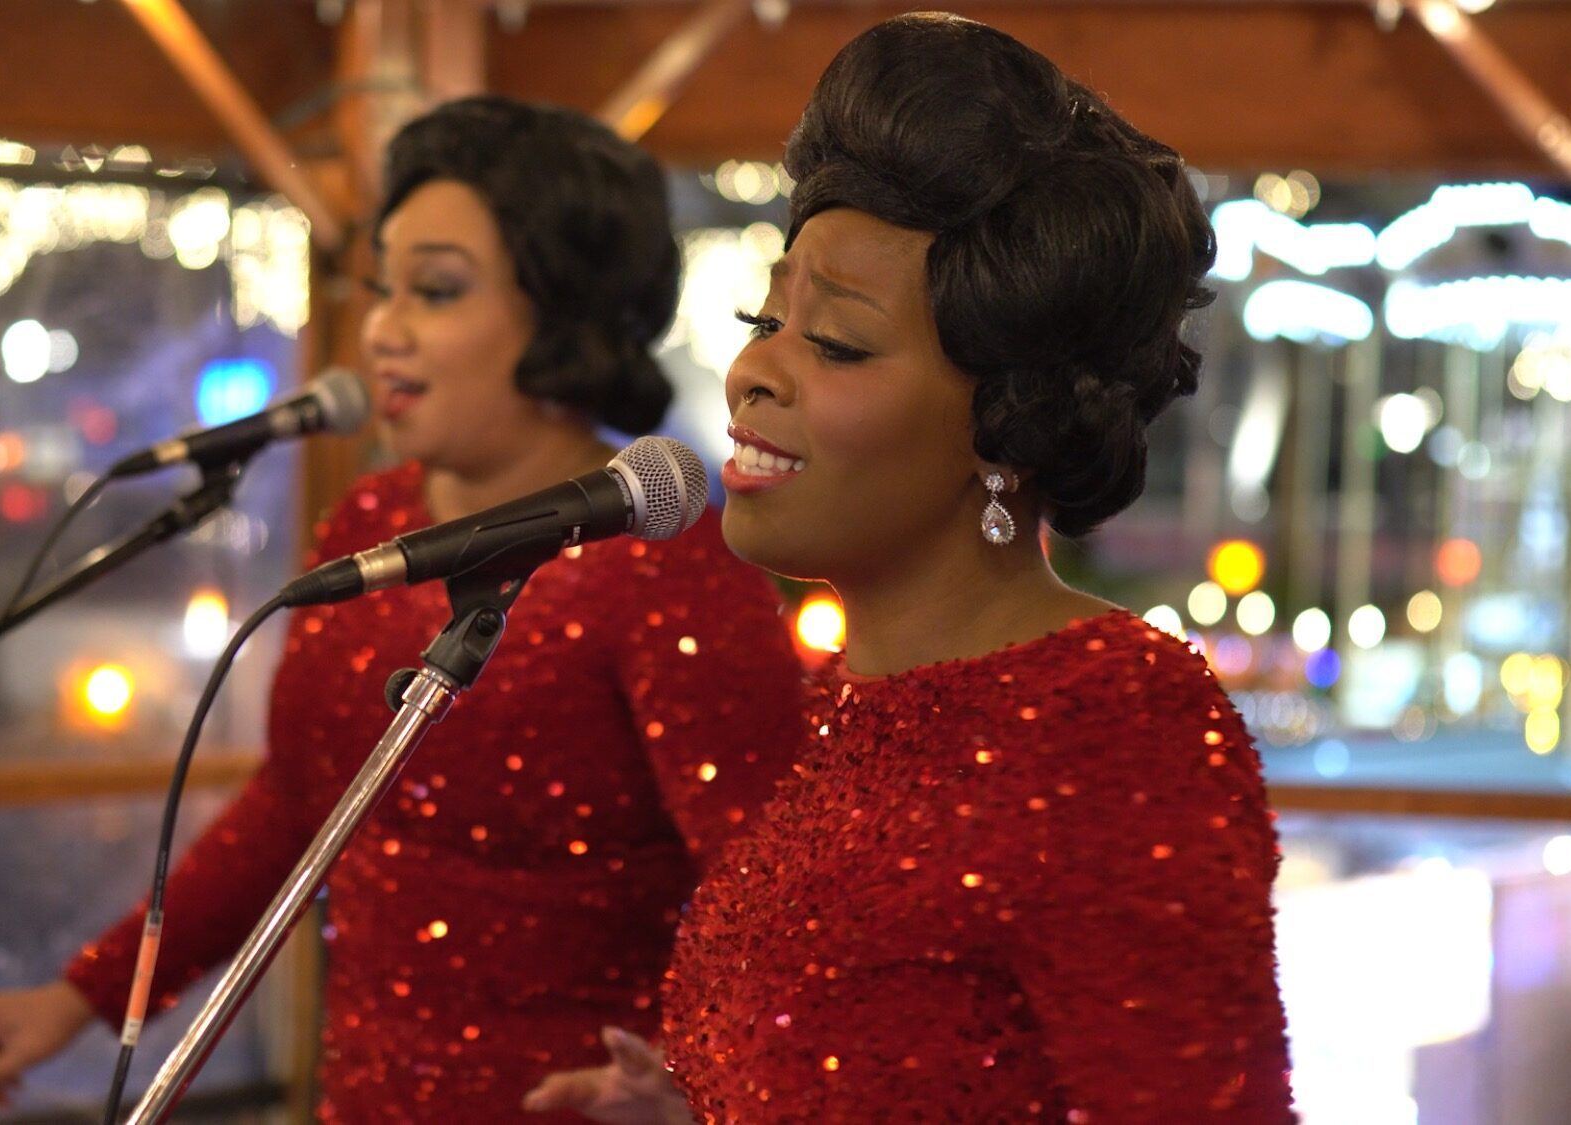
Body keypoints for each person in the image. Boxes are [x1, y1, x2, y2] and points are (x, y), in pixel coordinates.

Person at [0, 95, 806, 1121]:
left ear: (564, 312)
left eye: (434, 291)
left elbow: (777, 911)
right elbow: (297, 808)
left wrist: (694, 1078)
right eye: (378, 287)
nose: (380, 330)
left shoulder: (668, 572)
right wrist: (86, 994)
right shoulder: (371, 520)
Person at [524, 15, 1294, 1123]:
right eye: (764, 317)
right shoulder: (849, 710)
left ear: (1003, 419)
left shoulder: (1112, 724)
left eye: (831, 342)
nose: (750, 371)